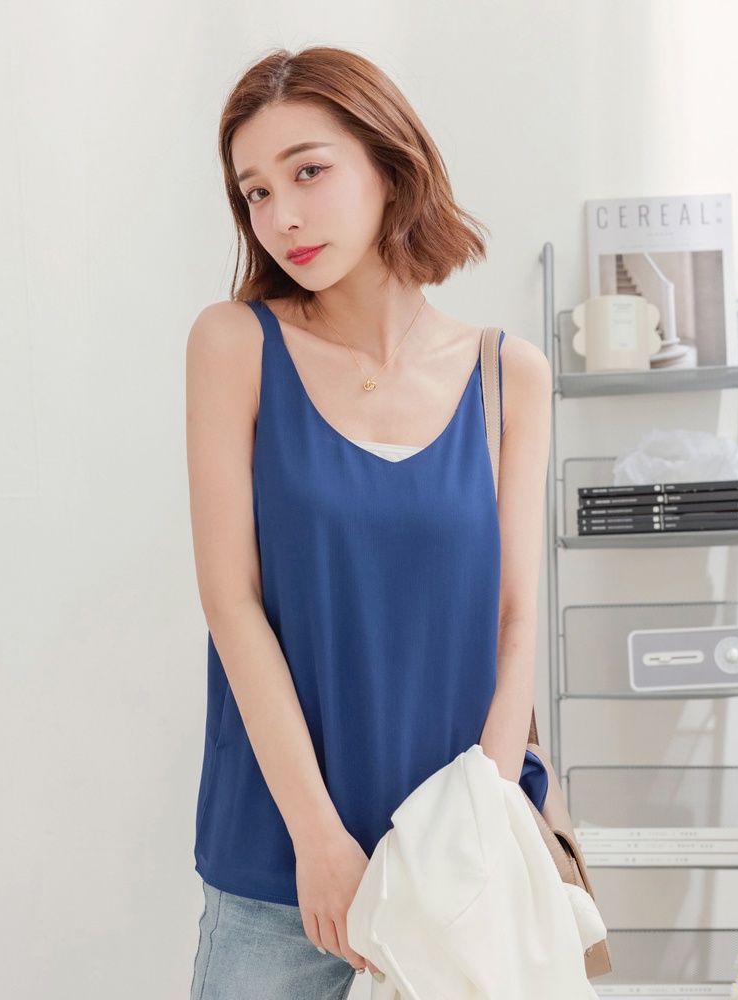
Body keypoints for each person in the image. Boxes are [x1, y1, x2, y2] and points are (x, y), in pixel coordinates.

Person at [184, 44, 552, 1000]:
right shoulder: (235, 345)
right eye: (256, 192)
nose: (282, 215)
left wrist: (482, 827)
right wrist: (318, 839)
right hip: (285, 867)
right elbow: (231, 604)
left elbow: (517, 619)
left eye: (308, 171)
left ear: (391, 166)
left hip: (458, 864)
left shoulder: (509, 376)